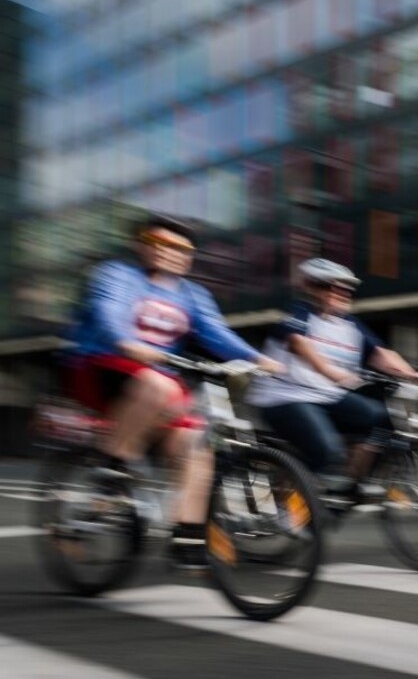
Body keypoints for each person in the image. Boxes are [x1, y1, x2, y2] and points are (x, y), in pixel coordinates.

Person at [64, 214, 282, 570]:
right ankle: (111, 470)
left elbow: (216, 334)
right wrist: (126, 343)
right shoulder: (118, 274)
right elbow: (110, 311)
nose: (171, 252)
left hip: (155, 380)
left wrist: (257, 358)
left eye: (182, 248)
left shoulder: (193, 294)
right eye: (159, 243)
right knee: (158, 384)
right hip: (101, 366)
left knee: (198, 441)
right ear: (141, 246)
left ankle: (187, 535)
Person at [245, 259, 418, 502]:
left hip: (327, 397)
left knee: (382, 418)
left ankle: (354, 484)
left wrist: (414, 376)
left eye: (346, 289)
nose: (341, 294)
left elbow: (382, 355)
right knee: (327, 450)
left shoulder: (351, 325)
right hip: (286, 398)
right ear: (312, 288)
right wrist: (332, 372)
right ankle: (293, 504)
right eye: (331, 287)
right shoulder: (299, 313)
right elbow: (299, 344)